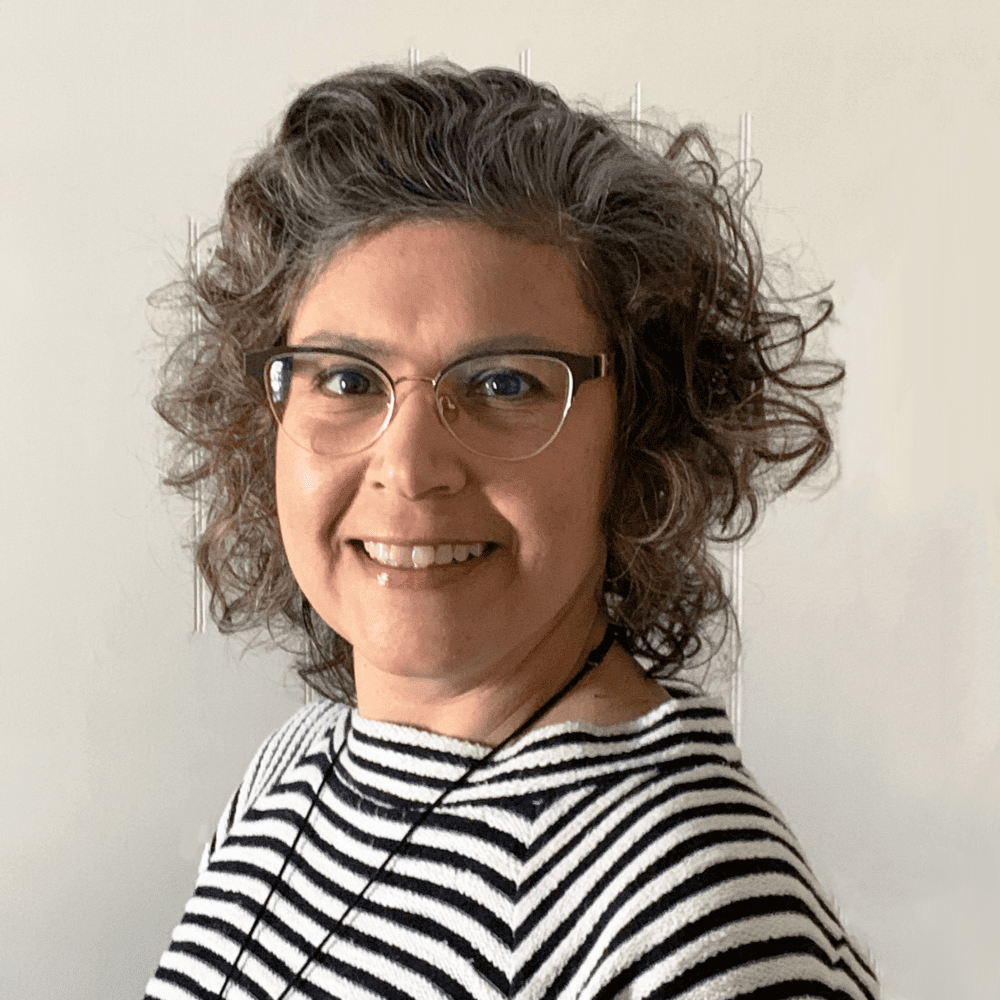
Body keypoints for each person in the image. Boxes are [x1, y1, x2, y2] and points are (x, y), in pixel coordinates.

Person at [145, 62, 879, 1000]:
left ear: (642, 434)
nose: (409, 466)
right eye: (346, 379)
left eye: (503, 385)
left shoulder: (680, 906)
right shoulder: (299, 765)